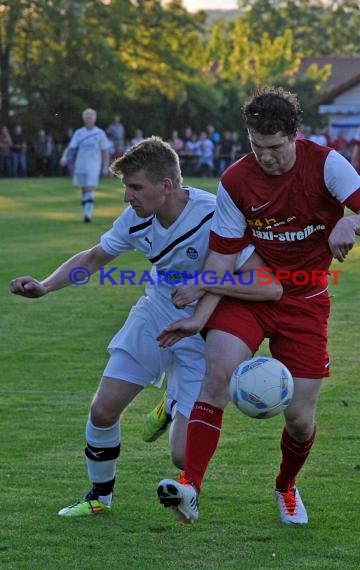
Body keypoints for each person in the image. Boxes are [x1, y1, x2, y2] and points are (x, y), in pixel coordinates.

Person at [10, 136, 281, 518]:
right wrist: (45, 285)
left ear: (166, 185)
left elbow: (266, 285)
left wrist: (204, 286)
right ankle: (99, 497)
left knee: (183, 456)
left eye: (135, 187)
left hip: (204, 330)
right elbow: (93, 257)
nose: (127, 197)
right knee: (103, 410)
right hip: (155, 313)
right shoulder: (137, 219)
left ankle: (170, 402)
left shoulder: (214, 215)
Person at [156, 86, 360, 526]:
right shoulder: (236, 181)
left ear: (294, 136)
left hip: (305, 302)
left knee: (300, 419)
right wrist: (199, 315)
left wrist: (349, 221)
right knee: (217, 376)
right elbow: (222, 258)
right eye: (256, 147)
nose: (266, 157)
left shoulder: (327, 164)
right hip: (251, 294)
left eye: (275, 147)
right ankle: (190, 487)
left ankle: (285, 486)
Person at [60, 108, 111, 222]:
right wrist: (64, 157)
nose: (89, 119)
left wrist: (105, 166)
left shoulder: (100, 133)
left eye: (91, 116)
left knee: (89, 188)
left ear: (95, 118)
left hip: (94, 164)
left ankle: (88, 214)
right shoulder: (79, 132)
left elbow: (105, 150)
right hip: (81, 164)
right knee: (83, 189)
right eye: (87, 117)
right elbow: (71, 147)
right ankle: (86, 211)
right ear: (84, 119)